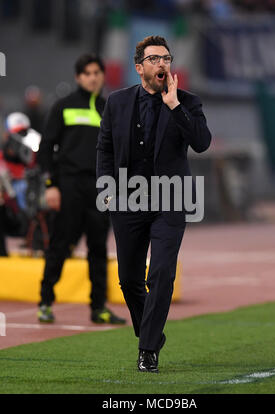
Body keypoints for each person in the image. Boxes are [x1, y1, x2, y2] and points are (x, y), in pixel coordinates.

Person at [96, 36, 211, 372]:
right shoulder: (116, 102)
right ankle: (152, 333)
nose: (162, 64)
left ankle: (147, 349)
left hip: (170, 199)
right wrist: (105, 188)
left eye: (166, 58)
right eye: (154, 58)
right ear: (139, 67)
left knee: (160, 273)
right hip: (127, 200)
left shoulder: (188, 102)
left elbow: (202, 143)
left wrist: (175, 107)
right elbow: (105, 148)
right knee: (129, 279)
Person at [37, 53, 126, 325]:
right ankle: (45, 301)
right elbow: (45, 149)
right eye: (87, 73)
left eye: (97, 72)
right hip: (69, 185)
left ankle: (98, 307)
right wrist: (51, 185)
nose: (93, 77)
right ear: (78, 77)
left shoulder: (109, 109)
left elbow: (118, 151)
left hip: (99, 189)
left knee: (98, 248)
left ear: (102, 76)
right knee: (61, 245)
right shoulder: (63, 106)